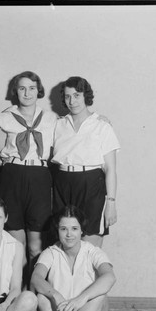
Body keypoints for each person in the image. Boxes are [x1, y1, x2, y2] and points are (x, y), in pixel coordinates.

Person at [0, 71, 57, 271]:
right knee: (16, 246)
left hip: (39, 179)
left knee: (36, 246)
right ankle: (19, 294)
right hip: (12, 177)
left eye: (32, 88)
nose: (27, 93)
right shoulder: (4, 118)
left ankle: (35, 291)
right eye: (22, 88)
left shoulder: (51, 118)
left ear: (39, 91)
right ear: (15, 91)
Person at [51, 76, 120, 248]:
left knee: (90, 248)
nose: (72, 101)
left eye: (77, 95)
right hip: (62, 184)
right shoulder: (58, 124)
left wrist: (111, 203)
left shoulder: (101, 125)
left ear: (85, 96)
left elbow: (110, 169)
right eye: (67, 96)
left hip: (91, 185)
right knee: (64, 246)